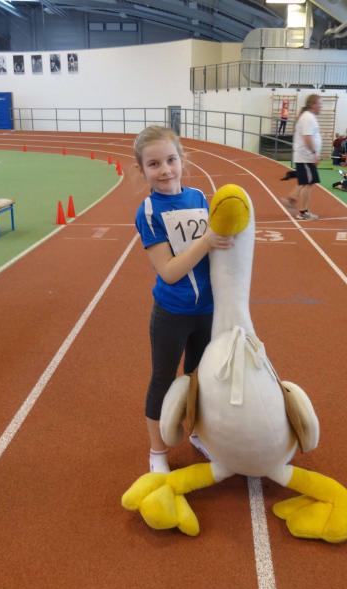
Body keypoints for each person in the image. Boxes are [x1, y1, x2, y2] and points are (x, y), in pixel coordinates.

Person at [133, 126, 233, 473]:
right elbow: (170, 271)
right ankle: (157, 452)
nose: (165, 170)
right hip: (172, 314)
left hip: (208, 311)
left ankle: (198, 434)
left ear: (182, 160)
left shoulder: (200, 198)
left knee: (200, 378)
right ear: (141, 170)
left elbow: (218, 254)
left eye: (171, 160)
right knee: (163, 379)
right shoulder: (149, 212)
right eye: (154, 164)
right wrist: (206, 241)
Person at [282, 94, 323, 221]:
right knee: (309, 183)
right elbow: (307, 137)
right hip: (306, 156)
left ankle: (292, 199)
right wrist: (314, 153)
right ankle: (303, 212)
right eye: (319, 104)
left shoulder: (308, 117)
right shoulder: (308, 118)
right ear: (313, 104)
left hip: (305, 156)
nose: (321, 106)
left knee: (306, 182)